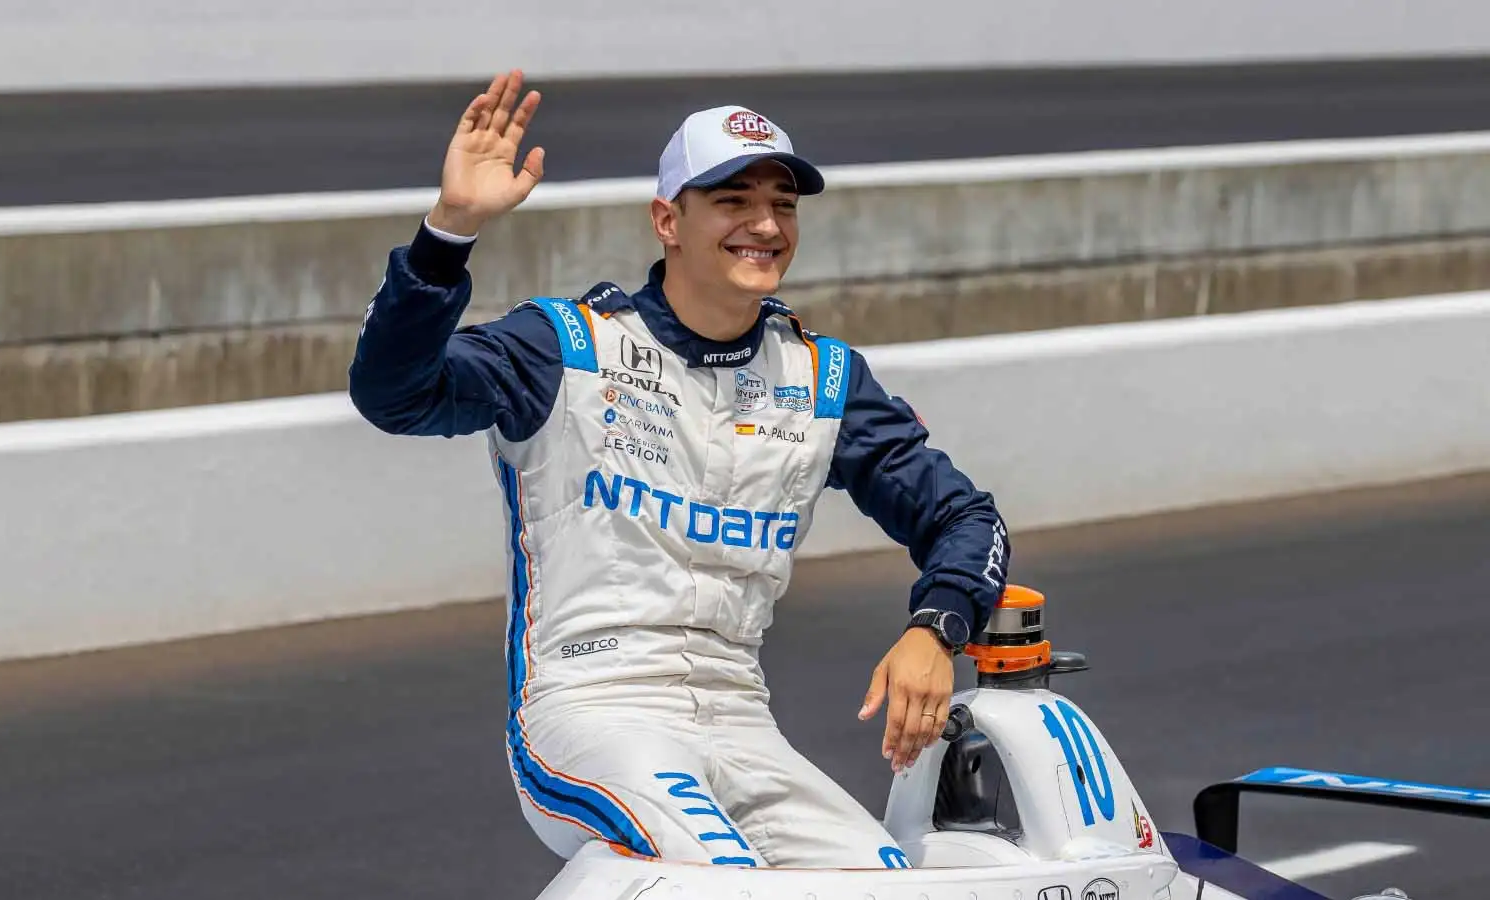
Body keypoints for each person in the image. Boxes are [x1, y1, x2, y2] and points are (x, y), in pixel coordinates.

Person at [348, 69, 1010, 869]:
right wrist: (449, 231)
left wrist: (936, 630)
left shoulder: (823, 380)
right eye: (733, 201)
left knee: (892, 888)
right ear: (669, 219)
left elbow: (966, 518)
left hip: (742, 719)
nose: (764, 224)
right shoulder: (565, 345)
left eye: (783, 204)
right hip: (591, 711)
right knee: (725, 883)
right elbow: (395, 395)